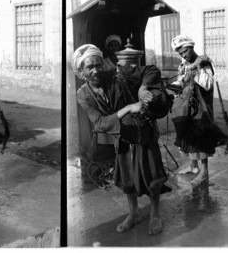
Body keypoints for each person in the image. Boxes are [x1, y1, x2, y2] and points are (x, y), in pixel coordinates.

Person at [73, 44, 171, 235]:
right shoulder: (83, 95)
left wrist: (143, 88)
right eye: (89, 67)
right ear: (81, 71)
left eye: (98, 65)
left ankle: (155, 214)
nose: (95, 70)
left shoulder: (116, 75)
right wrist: (127, 108)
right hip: (122, 137)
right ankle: (134, 213)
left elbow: (151, 69)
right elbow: (100, 123)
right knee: (127, 177)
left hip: (143, 131)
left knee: (151, 175)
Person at [170, 35, 219, 186]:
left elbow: (208, 84)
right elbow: (182, 80)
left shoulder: (204, 63)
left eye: (185, 51)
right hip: (188, 106)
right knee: (189, 136)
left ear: (191, 47)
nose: (183, 55)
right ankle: (194, 167)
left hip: (201, 108)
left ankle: (204, 172)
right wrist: (176, 84)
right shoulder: (185, 64)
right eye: (181, 53)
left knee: (201, 138)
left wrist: (196, 69)